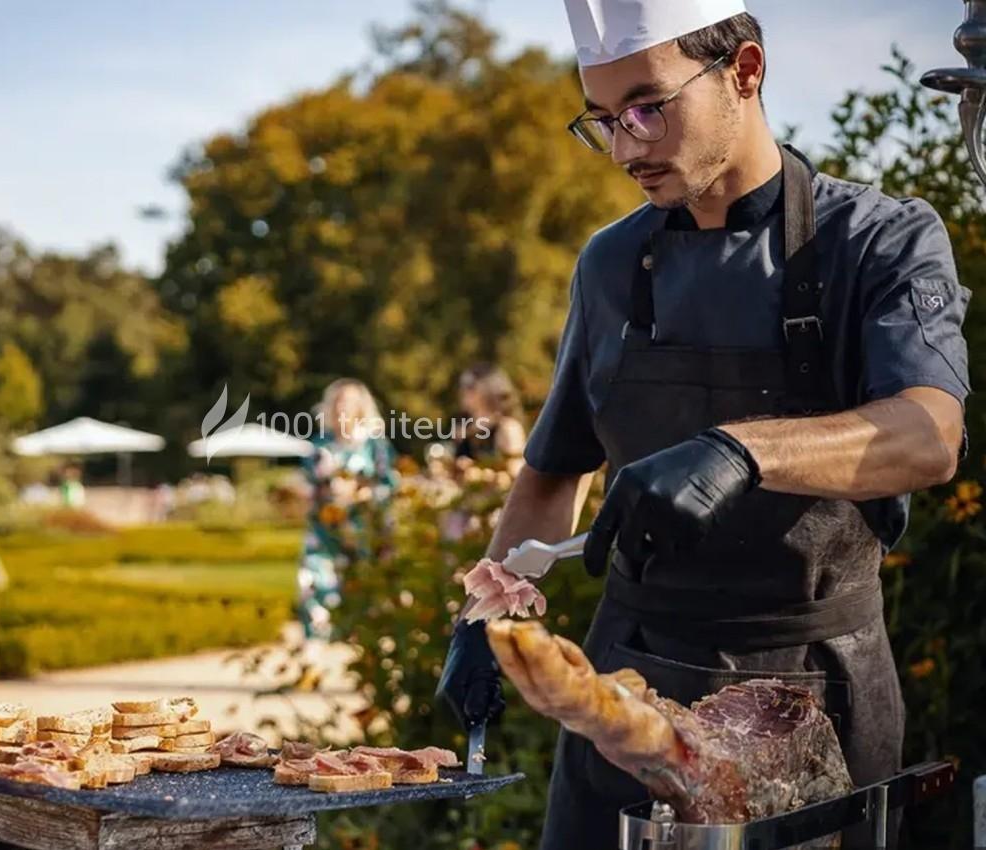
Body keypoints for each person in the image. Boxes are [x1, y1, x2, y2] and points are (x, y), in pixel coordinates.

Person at [435, 3, 971, 848]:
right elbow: (552, 469)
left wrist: (740, 450)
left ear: (745, 71)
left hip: (813, 690)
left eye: (648, 108)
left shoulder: (878, 240)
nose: (626, 149)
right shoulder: (609, 264)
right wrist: (481, 619)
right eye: (604, 120)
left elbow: (929, 435)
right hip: (628, 697)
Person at [296, 379, 397, 681]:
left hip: (365, 534)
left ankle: (375, 665)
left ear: (362, 407)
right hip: (324, 533)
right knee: (313, 587)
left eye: (350, 401)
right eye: (338, 401)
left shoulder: (375, 445)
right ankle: (311, 663)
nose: (343, 407)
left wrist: (360, 494)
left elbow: (390, 486)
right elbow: (307, 486)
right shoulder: (319, 446)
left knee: (371, 596)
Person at [454, 363, 527, 474]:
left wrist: (479, 472)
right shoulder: (465, 431)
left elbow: (516, 472)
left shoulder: (507, 428)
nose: (464, 391)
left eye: (470, 385)